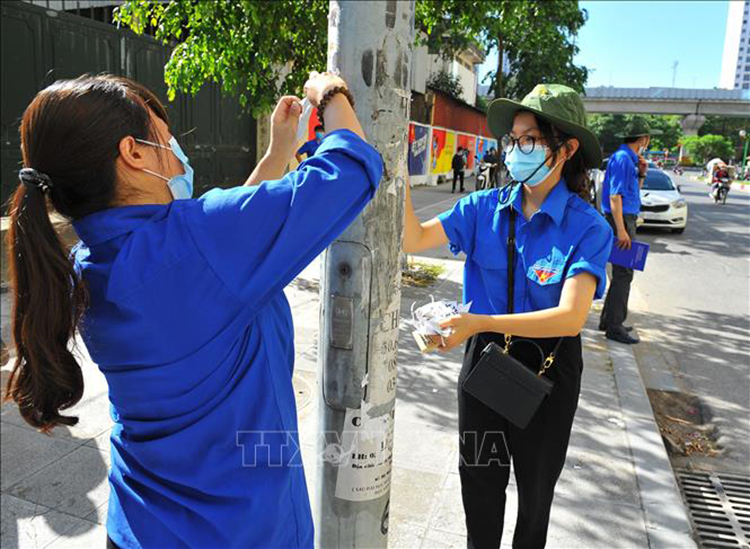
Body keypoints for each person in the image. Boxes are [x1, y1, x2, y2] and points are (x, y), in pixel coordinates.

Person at [4, 72, 381, 548]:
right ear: (133, 153)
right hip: (242, 530)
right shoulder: (196, 243)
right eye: (164, 139)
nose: (176, 152)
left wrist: (274, 157)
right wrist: (331, 95)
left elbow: (221, 271)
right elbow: (351, 171)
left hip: (141, 526)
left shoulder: (86, 266)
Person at [403, 84, 613, 549]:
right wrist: (395, 166)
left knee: (535, 495)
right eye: (513, 140)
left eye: (530, 139)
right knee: (479, 483)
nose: (516, 150)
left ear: (566, 148)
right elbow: (413, 239)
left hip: (550, 369)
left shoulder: (588, 228)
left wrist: (479, 323)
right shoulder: (483, 209)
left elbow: (571, 317)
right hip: (485, 366)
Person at [598, 115, 659, 344]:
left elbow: (632, 193)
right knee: (624, 272)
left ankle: (608, 319)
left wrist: (642, 172)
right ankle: (615, 326)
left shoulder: (628, 159)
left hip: (625, 217)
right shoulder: (623, 159)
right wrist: (622, 230)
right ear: (643, 138)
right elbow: (615, 197)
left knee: (622, 272)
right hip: (621, 219)